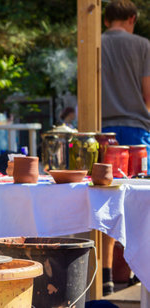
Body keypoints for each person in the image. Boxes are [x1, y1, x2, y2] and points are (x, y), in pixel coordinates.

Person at [101, 0, 150, 296]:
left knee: (104, 203)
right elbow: (148, 95)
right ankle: (138, 273)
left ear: (106, 21)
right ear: (132, 19)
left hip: (101, 132)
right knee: (141, 204)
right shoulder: (143, 45)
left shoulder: (92, 43)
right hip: (136, 131)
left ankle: (106, 275)